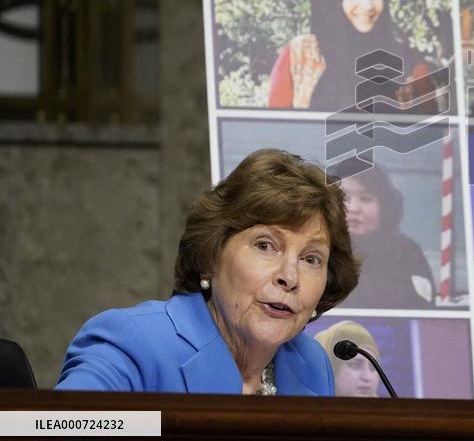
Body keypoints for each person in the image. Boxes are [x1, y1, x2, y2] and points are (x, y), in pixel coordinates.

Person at [55, 149, 359, 394]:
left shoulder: (311, 364)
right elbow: (53, 431)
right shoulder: (135, 343)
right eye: (265, 246)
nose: (289, 277)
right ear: (211, 255)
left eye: (311, 259)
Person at [268, 0, 429, 111]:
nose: (367, 5)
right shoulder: (300, 54)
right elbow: (274, 129)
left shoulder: (409, 64)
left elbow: (432, 132)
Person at [334, 163, 436, 309]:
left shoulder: (405, 252)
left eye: (365, 199)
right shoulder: (317, 249)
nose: (354, 208)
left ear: (384, 206)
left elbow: (422, 311)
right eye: (344, 197)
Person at [314, 320, 383, 398]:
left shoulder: (388, 409)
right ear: (331, 369)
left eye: (373, 367)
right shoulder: (310, 406)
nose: (367, 377)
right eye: (355, 365)